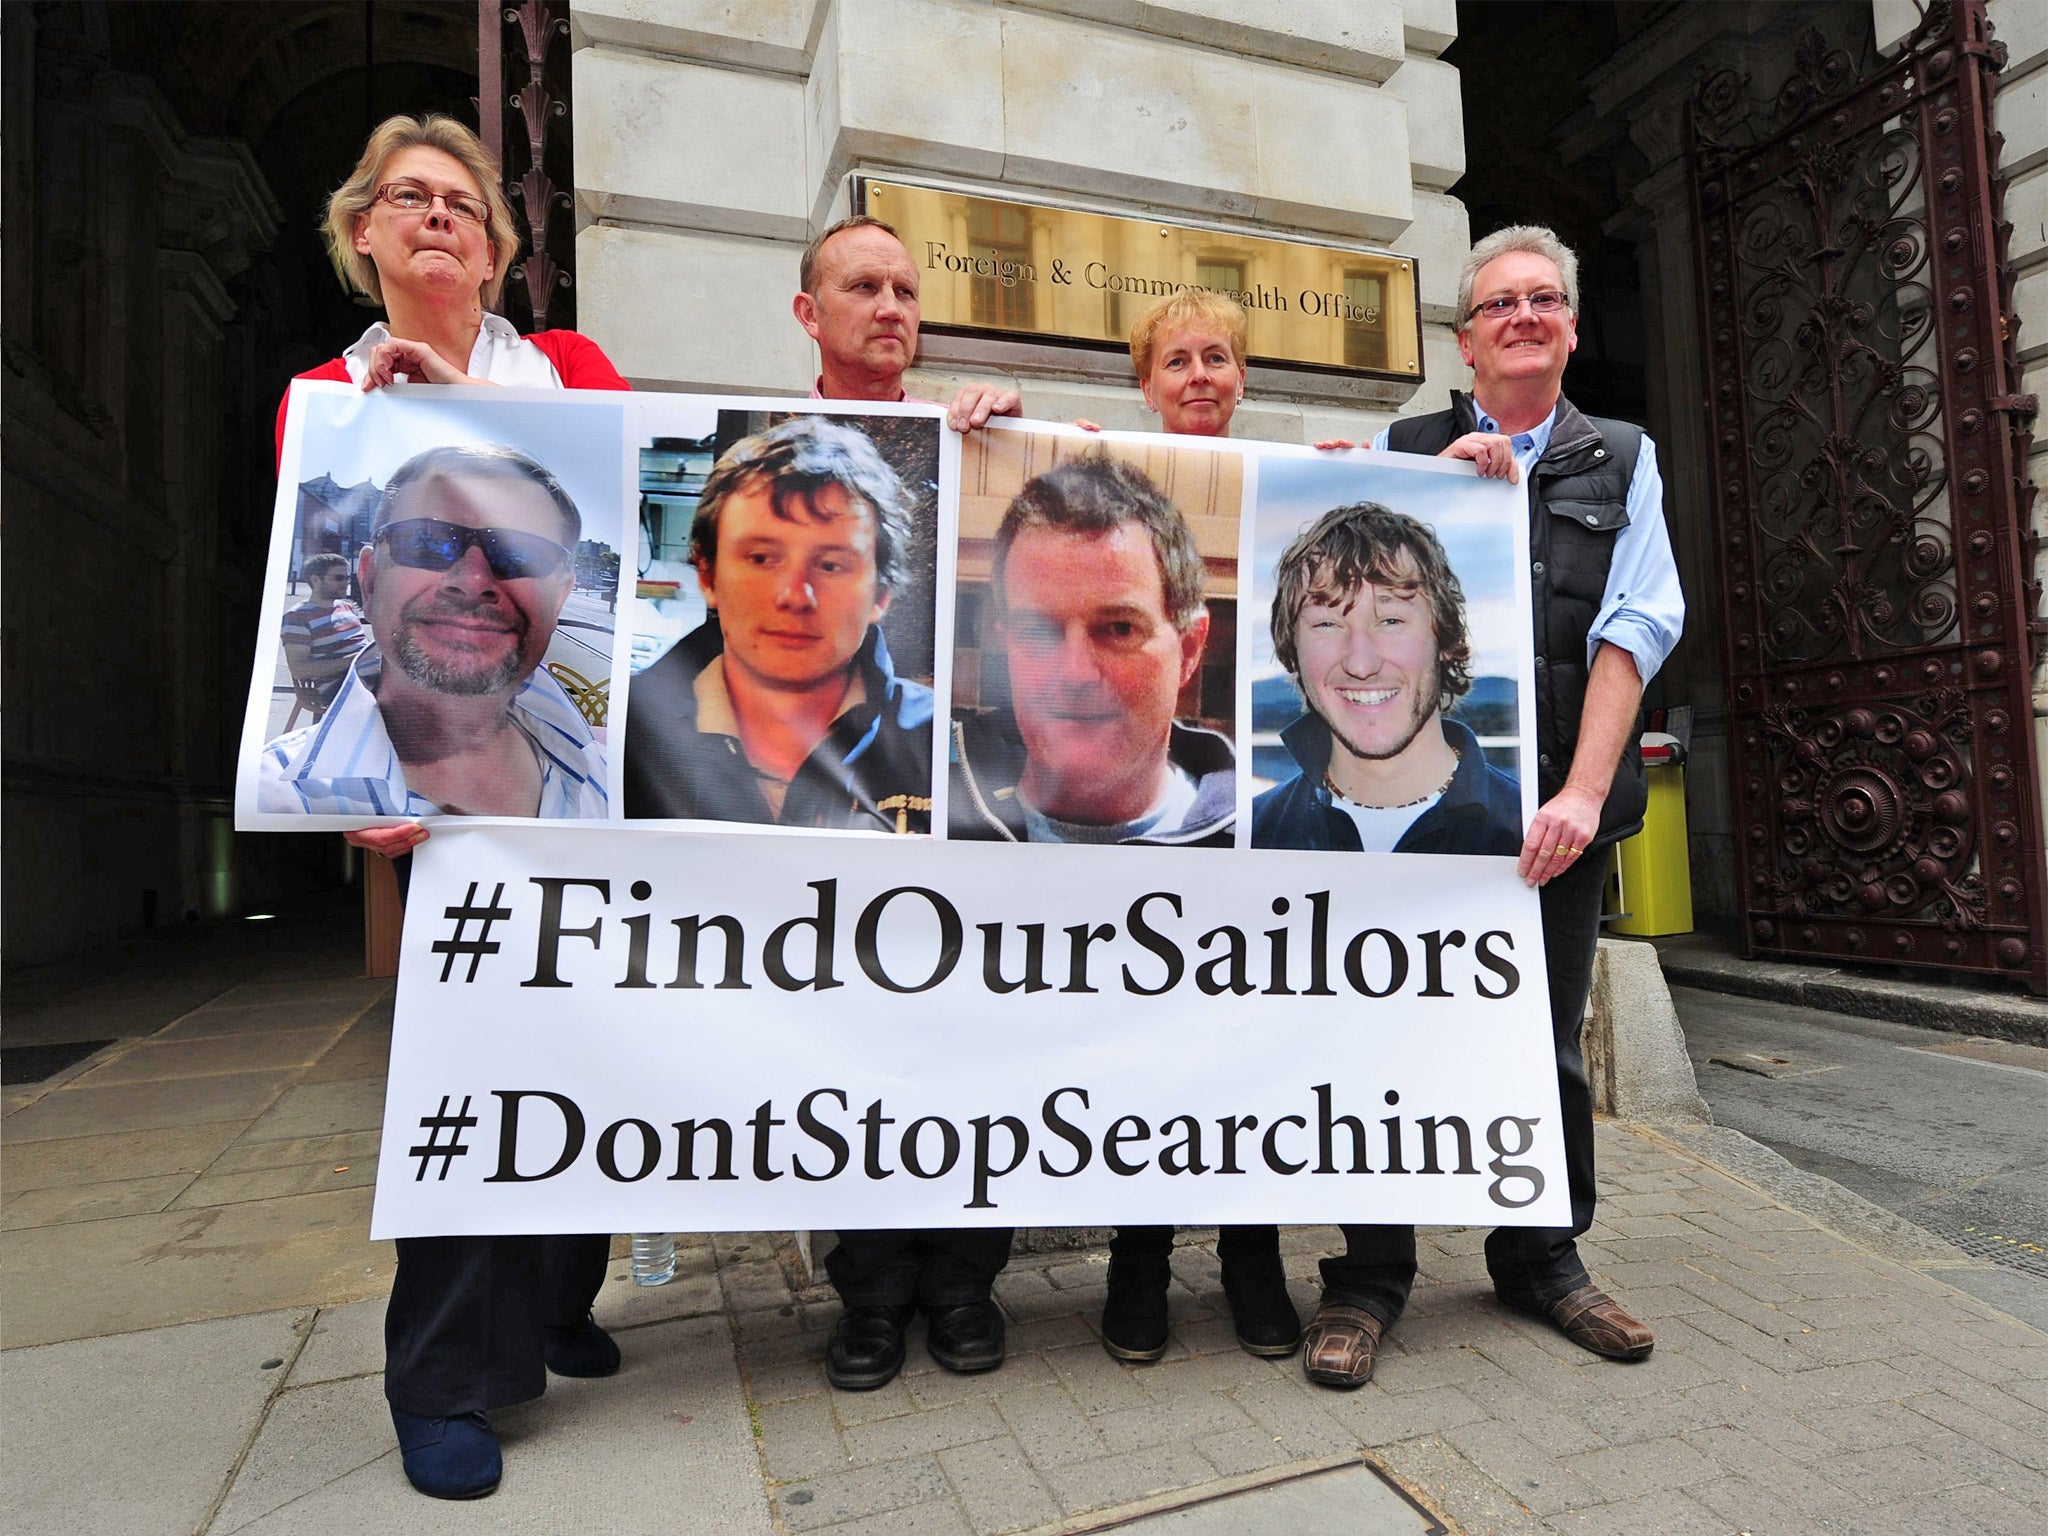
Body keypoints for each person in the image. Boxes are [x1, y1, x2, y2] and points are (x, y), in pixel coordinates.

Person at [273, 112, 631, 1499]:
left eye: (463, 203)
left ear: (498, 245)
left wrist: (471, 408)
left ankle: (554, 1306)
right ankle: (444, 1376)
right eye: (406, 199)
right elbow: (297, 606)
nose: (436, 218)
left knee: (591, 1057)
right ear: (361, 233)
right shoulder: (324, 398)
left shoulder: (568, 367)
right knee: (472, 1084)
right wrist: (347, 778)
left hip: (573, 781)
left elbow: (610, 482)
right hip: (436, 799)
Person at [1300, 225, 1684, 1389]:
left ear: (1568, 327)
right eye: (1499, 303)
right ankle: (1368, 1275)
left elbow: (1635, 627)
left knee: (1543, 1042)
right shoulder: (1401, 448)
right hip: (1406, 817)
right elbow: (1330, 573)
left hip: (1553, 820)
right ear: (1463, 338)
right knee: (1384, 1032)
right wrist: (1326, 479)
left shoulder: (1622, 459)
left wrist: (1578, 791)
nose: (1523, 316)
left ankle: (1540, 1257)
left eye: (1544, 301)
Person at [792, 214, 1020, 1392]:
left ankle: (966, 1284)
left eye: (903, 290)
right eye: (860, 287)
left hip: (963, 793)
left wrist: (1009, 441)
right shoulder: (771, 457)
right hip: (825, 800)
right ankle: (871, 1295)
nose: (889, 307)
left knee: (963, 1039)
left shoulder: (962, 444)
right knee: (852, 1044)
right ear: (808, 315)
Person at [622, 416, 933, 830]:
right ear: (707, 575)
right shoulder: (625, 732)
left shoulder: (947, 748)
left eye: (830, 564)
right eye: (762, 558)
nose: (795, 596)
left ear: (881, 594)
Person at [259, 444, 604, 817]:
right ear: (370, 581)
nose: (472, 580)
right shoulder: (267, 799)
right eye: (426, 542)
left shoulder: (619, 779)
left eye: (520, 553)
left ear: (559, 599)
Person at [950, 453, 1233, 848]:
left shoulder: (1272, 837)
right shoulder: (922, 803)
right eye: (1038, 631)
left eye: (1119, 629)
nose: (1075, 674)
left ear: (1188, 650)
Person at [1251, 501, 1521, 854]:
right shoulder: (1254, 834)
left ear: (1446, 640)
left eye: (1390, 621)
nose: (1361, 665)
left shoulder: (1532, 833)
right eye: (1327, 624)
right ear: (1293, 651)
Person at [280, 552, 368, 706]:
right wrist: (357, 660)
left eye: (347, 577)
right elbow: (299, 669)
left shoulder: (346, 606)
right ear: (315, 580)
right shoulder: (297, 617)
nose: (346, 583)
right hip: (337, 688)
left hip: (366, 677)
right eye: (339, 578)